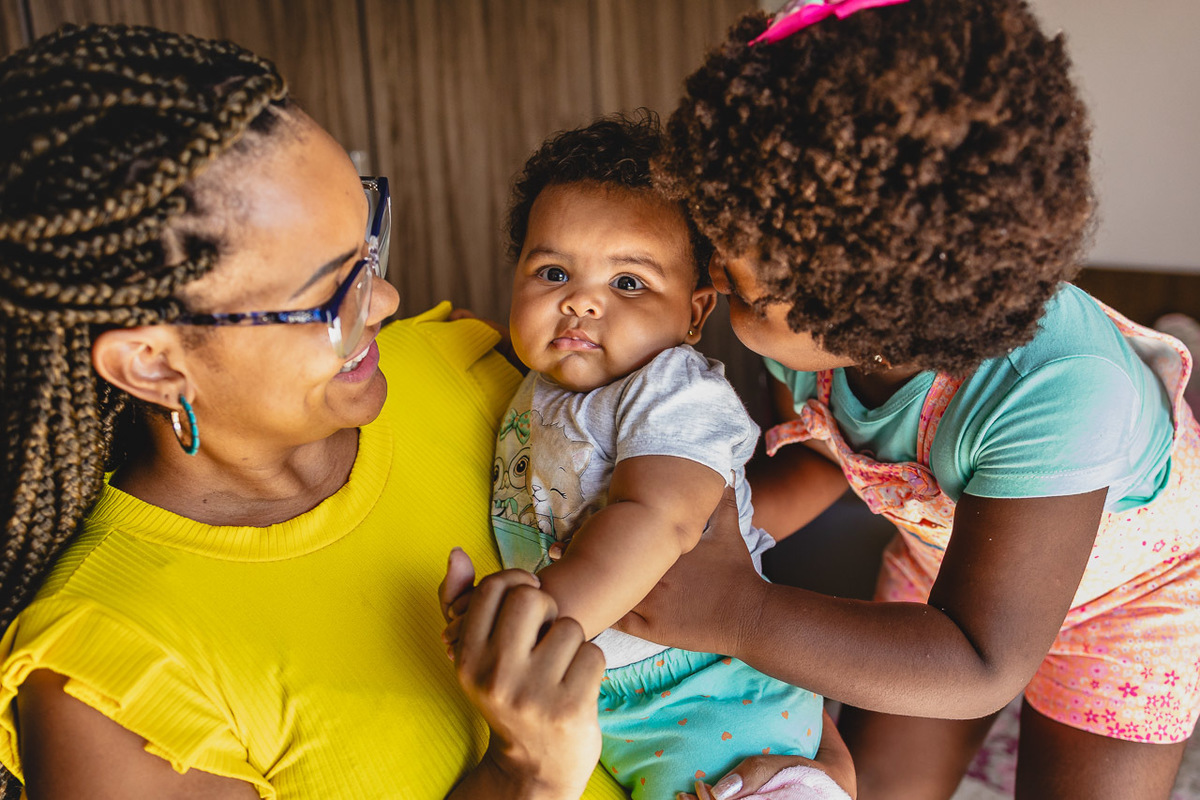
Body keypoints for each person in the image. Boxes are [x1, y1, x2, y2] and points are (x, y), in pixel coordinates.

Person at [0, 22, 626, 800]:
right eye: (333, 293)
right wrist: (527, 773)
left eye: (367, 246)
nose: (388, 300)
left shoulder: (455, 367)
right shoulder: (109, 681)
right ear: (154, 362)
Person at [617, 1, 1200, 798]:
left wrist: (737, 610)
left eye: (744, 287)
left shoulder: (1059, 390)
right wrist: (715, 530)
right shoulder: (812, 337)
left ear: (876, 304)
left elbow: (974, 660)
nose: (713, 279)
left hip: (1128, 598)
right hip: (948, 557)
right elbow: (841, 452)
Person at [443, 113, 845, 800]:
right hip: (617, 698)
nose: (580, 303)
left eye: (628, 283)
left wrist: (537, 618)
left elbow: (656, 517)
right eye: (552, 272)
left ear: (693, 315)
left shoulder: (674, 391)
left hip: (714, 695)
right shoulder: (535, 385)